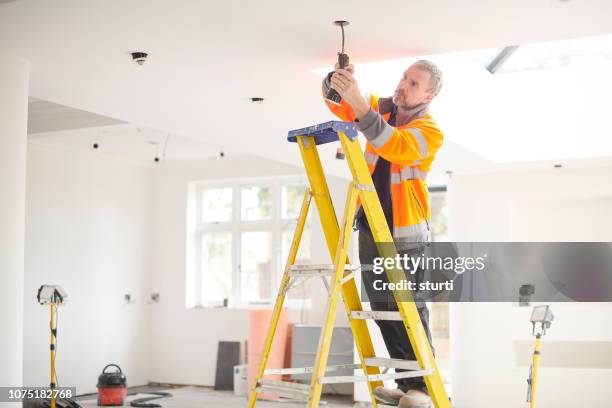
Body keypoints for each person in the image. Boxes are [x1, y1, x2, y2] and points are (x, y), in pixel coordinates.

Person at [322, 60, 444, 408]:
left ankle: (424, 386)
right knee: (383, 308)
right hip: (372, 226)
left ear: (429, 94)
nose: (403, 84)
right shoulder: (381, 109)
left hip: (406, 234)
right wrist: (338, 82)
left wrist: (358, 100)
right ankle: (407, 384)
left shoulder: (429, 131)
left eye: (414, 83)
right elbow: (336, 103)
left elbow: (391, 144)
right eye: (404, 77)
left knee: (409, 308)